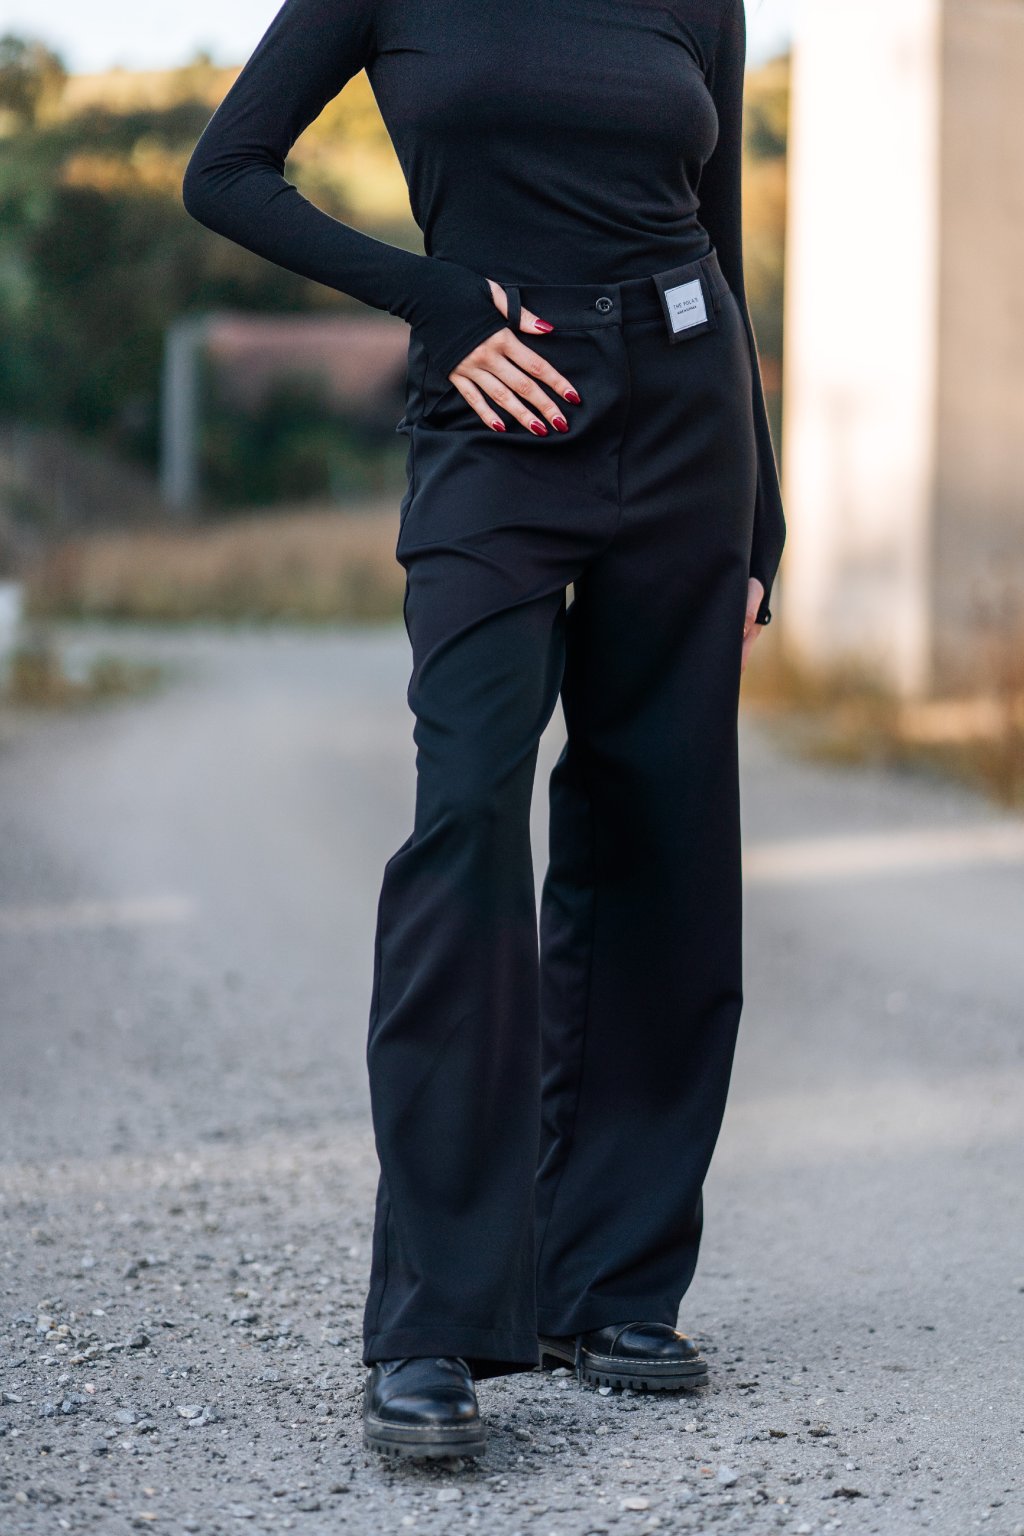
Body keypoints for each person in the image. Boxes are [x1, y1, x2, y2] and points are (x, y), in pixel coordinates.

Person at [183, 0, 786, 1462]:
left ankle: (612, 1283)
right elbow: (227, 172)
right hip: (493, 409)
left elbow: (718, 239)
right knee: (465, 814)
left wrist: (761, 507)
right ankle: (434, 1319)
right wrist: (437, 301)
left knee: (661, 835)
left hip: (687, 412)